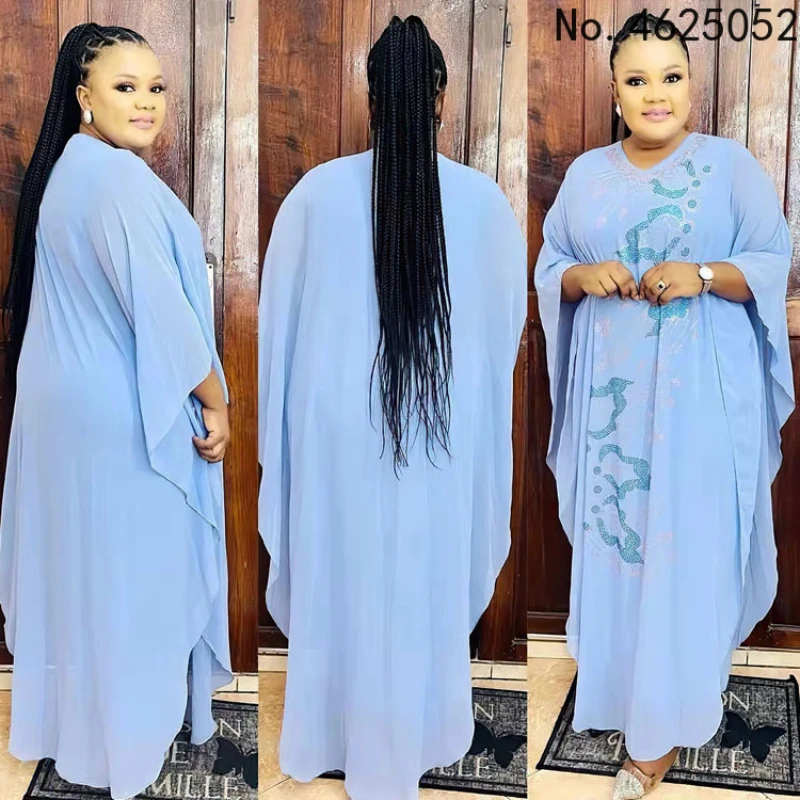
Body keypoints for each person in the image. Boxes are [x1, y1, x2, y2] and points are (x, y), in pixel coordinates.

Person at [259, 15, 527, 800]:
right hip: (441, 427)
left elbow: (280, 327)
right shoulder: (484, 202)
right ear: (441, 99)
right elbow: (500, 334)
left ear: (371, 98)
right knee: (421, 574)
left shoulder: (314, 194)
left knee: (341, 569)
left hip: (336, 426)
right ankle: (416, 731)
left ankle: (333, 733)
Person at [535, 10, 794, 799]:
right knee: (622, 546)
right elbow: (551, 265)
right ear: (615, 92)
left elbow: (771, 260)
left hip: (698, 408)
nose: (656, 94)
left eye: (671, 77)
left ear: (692, 85)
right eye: (638, 79)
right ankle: (626, 696)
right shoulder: (586, 176)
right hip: (614, 415)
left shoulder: (729, 167)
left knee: (687, 548)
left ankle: (657, 736)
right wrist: (581, 276)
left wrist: (703, 274)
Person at [0, 24, 232, 799]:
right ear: (83, 96)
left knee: (83, 575)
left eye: (155, 87)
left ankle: (78, 733)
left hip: (60, 410)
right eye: (125, 87)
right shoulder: (118, 182)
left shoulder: (66, 170)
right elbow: (163, 318)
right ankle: (123, 749)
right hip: (116, 414)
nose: (145, 102)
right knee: (132, 580)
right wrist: (217, 401)